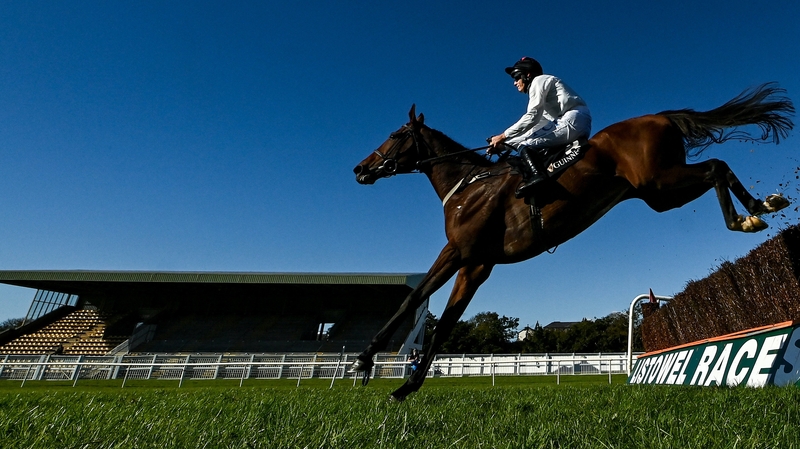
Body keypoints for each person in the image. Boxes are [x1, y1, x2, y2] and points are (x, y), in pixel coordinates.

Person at [489, 57, 591, 198]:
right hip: (574, 121)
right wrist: (503, 146)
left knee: (526, 145)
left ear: (528, 74)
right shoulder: (547, 104)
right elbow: (533, 129)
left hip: (572, 119)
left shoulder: (539, 81)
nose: (514, 83)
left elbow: (532, 116)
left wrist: (502, 136)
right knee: (528, 142)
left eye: (517, 77)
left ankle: (538, 177)